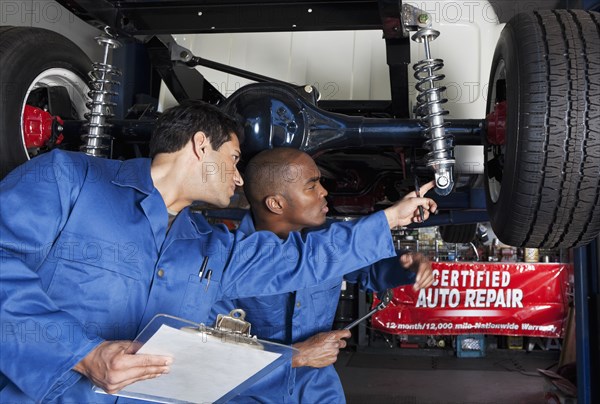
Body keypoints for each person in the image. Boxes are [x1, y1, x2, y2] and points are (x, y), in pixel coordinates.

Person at [0, 102, 436, 403]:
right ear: (200, 146)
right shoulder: (67, 181)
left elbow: (299, 259)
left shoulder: (211, 246)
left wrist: (390, 219)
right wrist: (81, 353)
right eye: (233, 158)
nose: (240, 178)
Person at [210, 148, 434, 403]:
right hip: (251, 393)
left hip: (318, 391)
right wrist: (296, 356)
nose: (324, 192)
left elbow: (371, 271)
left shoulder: (329, 242)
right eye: (311, 186)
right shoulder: (228, 260)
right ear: (276, 203)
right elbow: (214, 352)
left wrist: (405, 266)